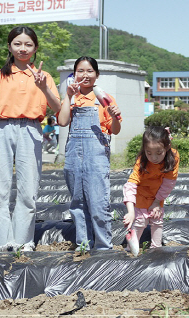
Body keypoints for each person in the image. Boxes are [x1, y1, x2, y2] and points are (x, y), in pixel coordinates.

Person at [0, 26, 61, 252]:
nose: (23, 48)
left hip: (31, 129)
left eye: (28, 44)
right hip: (2, 128)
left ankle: (23, 240)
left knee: (28, 188)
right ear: (9, 47)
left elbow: (58, 109)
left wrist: (44, 88)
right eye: (17, 44)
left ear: (35, 48)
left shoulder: (43, 76)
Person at [58, 56, 121, 251]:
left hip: (97, 155)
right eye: (80, 71)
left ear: (97, 75)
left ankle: (103, 246)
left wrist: (114, 115)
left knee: (98, 201)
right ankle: (84, 245)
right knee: (77, 202)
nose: (85, 75)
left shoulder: (104, 99)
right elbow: (62, 122)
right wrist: (68, 96)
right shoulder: (72, 96)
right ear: (74, 74)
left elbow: (116, 130)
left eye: (89, 71)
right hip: (73, 154)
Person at [122, 126, 179, 250]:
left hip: (158, 194)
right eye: (149, 153)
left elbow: (168, 183)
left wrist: (157, 202)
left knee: (157, 220)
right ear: (144, 150)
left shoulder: (173, 158)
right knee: (139, 221)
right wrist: (131, 211)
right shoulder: (142, 161)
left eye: (159, 153)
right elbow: (131, 184)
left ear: (167, 147)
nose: (154, 157)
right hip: (141, 194)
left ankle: (156, 248)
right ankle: (131, 250)